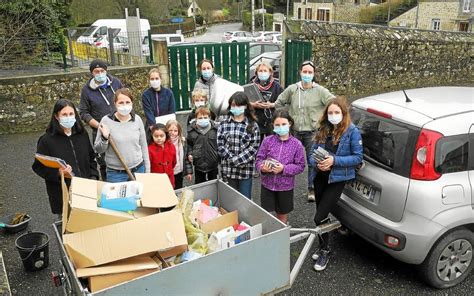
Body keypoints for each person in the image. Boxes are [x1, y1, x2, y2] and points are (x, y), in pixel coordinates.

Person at [308, 97, 363, 272]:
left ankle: (325, 250)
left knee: (318, 217)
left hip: (336, 179)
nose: (333, 116)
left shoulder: (352, 131)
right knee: (321, 216)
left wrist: (334, 160)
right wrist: (316, 163)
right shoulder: (323, 129)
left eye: (336, 112)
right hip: (320, 177)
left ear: (343, 114)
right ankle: (323, 246)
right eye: (330, 113)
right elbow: (311, 154)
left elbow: (357, 157)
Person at [272, 60, 335, 202]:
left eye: (310, 72)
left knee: (313, 162)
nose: (307, 74)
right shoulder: (292, 89)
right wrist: (286, 119)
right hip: (293, 131)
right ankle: (284, 187)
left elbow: (334, 104)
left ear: (313, 74)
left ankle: (311, 188)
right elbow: (279, 103)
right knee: (286, 160)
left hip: (312, 133)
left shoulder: (320, 91)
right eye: (304, 72)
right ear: (300, 72)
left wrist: (325, 120)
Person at [32, 99, 99, 216]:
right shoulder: (46, 140)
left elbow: (91, 158)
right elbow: (39, 167)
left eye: (71, 114)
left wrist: (93, 177)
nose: (68, 117)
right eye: (64, 114)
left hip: (85, 188)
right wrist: (58, 173)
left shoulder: (82, 135)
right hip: (63, 192)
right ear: (56, 116)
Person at [255, 110, 305, 224]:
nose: (280, 127)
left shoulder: (296, 144)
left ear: (290, 124)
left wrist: (284, 168)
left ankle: (282, 233)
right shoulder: (267, 141)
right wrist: (263, 167)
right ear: (273, 125)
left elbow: (301, 166)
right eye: (277, 125)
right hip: (267, 185)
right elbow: (259, 159)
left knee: (282, 214)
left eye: (283, 124)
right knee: (266, 213)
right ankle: (267, 235)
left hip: (285, 187)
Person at [79, 59, 123, 181]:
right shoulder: (86, 90)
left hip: (119, 127)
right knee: (104, 163)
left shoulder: (116, 83)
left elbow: (124, 99)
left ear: (106, 71)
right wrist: (99, 126)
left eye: (102, 71)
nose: (99, 73)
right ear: (92, 73)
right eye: (96, 71)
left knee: (121, 158)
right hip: (100, 131)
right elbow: (83, 112)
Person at [94, 88, 150, 183]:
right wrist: (104, 138)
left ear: (132, 103)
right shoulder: (106, 121)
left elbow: (144, 146)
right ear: (115, 103)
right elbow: (98, 149)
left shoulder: (137, 120)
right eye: (121, 102)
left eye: (127, 102)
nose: (125, 105)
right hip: (116, 174)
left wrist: (147, 170)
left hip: (138, 170)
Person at [217, 92, 260, 199]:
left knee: (245, 201)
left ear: (245, 106)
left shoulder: (253, 125)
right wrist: (232, 159)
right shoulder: (223, 124)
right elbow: (220, 145)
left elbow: (253, 148)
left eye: (239, 105)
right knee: (230, 200)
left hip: (245, 171)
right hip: (228, 170)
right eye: (233, 105)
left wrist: (237, 161)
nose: (236, 108)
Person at [249, 62, 283, 140]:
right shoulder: (251, 86)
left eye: (265, 71)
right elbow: (244, 102)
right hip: (256, 121)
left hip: (271, 122)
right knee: (257, 146)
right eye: (260, 71)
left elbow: (283, 102)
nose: (262, 73)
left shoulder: (276, 86)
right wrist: (254, 105)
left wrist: (272, 105)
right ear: (256, 73)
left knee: (271, 146)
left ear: (270, 72)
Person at [186, 107, 219, 184]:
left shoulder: (215, 130)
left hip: (213, 164)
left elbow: (219, 145)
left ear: (209, 118)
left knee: (213, 185)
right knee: (200, 185)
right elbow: (189, 145)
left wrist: (218, 156)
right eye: (200, 118)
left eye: (205, 117)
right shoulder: (191, 131)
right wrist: (190, 153)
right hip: (198, 165)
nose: (203, 119)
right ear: (196, 119)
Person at [141, 68, 176, 134]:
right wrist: (154, 127)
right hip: (152, 127)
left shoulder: (168, 93)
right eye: (152, 79)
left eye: (157, 78)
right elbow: (148, 112)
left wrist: (169, 126)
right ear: (149, 80)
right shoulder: (146, 95)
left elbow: (172, 111)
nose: (155, 81)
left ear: (161, 79)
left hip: (166, 126)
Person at [148, 124, 177, 188]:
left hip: (169, 177)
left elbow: (174, 162)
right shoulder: (149, 149)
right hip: (156, 179)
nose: (159, 138)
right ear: (152, 136)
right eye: (156, 136)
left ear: (166, 135)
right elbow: (148, 166)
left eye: (161, 136)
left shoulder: (171, 146)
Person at [166, 120, 192, 189]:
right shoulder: (164, 143)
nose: (172, 133)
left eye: (175, 131)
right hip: (168, 172)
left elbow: (186, 158)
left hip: (179, 171)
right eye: (170, 130)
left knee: (178, 188)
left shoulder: (182, 142)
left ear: (179, 132)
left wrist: (189, 172)